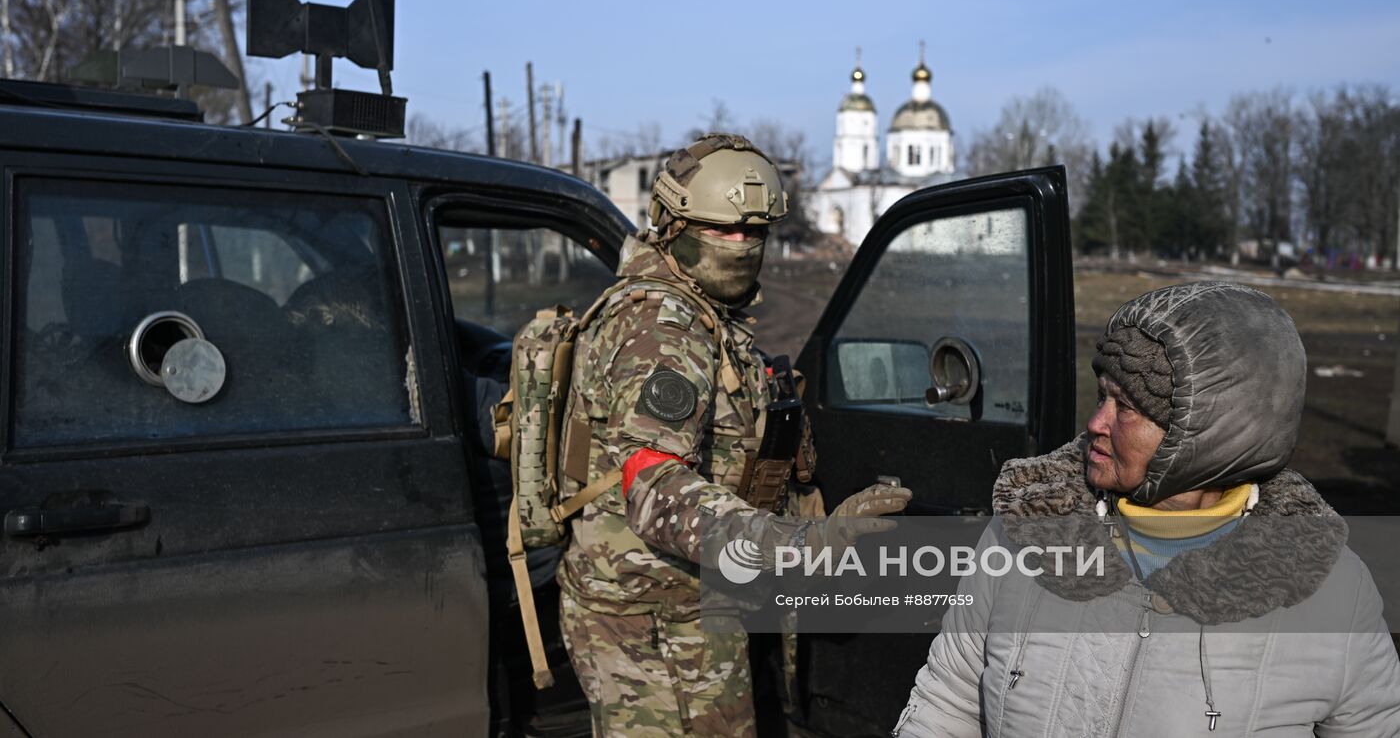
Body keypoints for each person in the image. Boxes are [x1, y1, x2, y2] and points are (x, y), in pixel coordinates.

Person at [894, 282, 1400, 737]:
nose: (1095, 422)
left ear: (1208, 434)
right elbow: (948, 701)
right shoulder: (1025, 533)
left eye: (1127, 407)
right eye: (1101, 397)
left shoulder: (1330, 593)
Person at [557, 133, 911, 737]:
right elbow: (654, 484)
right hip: (657, 619)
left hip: (672, 604)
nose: (741, 246)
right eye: (721, 230)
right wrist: (801, 545)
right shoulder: (663, 327)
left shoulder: (693, 311)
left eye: (755, 233)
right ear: (672, 226)